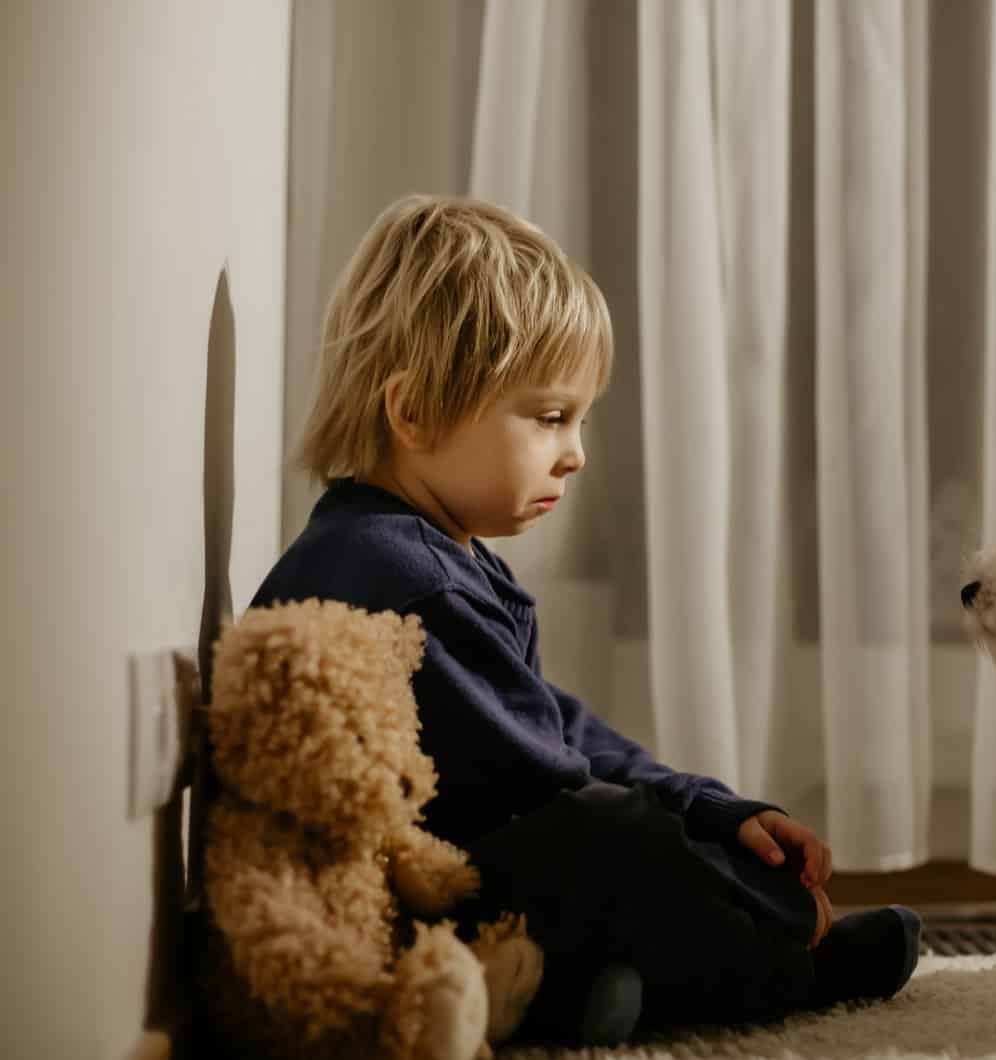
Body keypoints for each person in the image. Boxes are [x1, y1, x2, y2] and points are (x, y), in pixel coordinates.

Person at [251, 194, 921, 1046]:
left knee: (625, 835)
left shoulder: (414, 549)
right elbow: (551, 785)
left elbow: (552, 723)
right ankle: (795, 962)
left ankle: (574, 992)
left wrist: (713, 809)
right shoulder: (408, 579)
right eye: (549, 417)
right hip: (397, 910)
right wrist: (758, 893)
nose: (575, 452)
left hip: (449, 884)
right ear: (413, 412)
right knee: (615, 838)